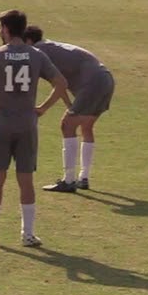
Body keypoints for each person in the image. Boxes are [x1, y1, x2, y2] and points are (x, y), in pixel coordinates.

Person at [0, 10, 68, 247]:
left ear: (7, 29)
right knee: (26, 181)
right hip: (27, 125)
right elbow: (61, 83)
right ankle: (28, 234)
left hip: (0, 124)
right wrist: (41, 108)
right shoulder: (37, 56)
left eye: (0, 27)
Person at [23, 26, 115, 193]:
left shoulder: (38, 53)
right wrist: (69, 105)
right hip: (106, 79)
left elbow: (59, 84)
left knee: (67, 125)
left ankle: (69, 180)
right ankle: (83, 177)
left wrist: (43, 108)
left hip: (91, 84)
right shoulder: (50, 47)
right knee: (86, 126)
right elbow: (60, 84)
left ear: (28, 41)